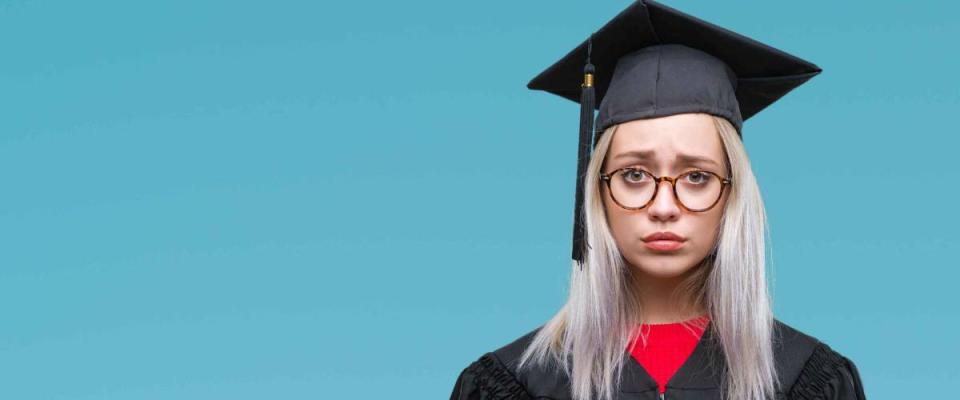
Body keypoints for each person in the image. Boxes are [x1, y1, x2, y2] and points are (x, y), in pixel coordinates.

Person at [449, 1, 867, 399]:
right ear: (597, 190)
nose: (663, 206)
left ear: (732, 193)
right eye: (634, 175)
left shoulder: (805, 382)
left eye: (696, 176)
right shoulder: (518, 384)